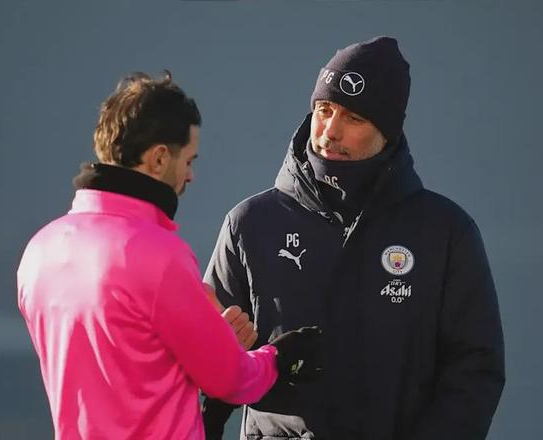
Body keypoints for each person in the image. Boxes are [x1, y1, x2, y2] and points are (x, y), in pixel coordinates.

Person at [203, 36, 505, 439]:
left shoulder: (446, 232)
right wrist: (217, 359)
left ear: (387, 132)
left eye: (354, 118)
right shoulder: (250, 223)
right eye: (324, 110)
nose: (331, 131)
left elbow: (475, 369)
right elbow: (199, 363)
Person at [17, 71, 322, 440]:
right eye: (189, 161)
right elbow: (229, 380)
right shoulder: (158, 254)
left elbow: (120, 363)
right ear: (159, 158)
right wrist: (278, 358)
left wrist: (211, 340)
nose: (190, 176)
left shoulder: (40, 251)